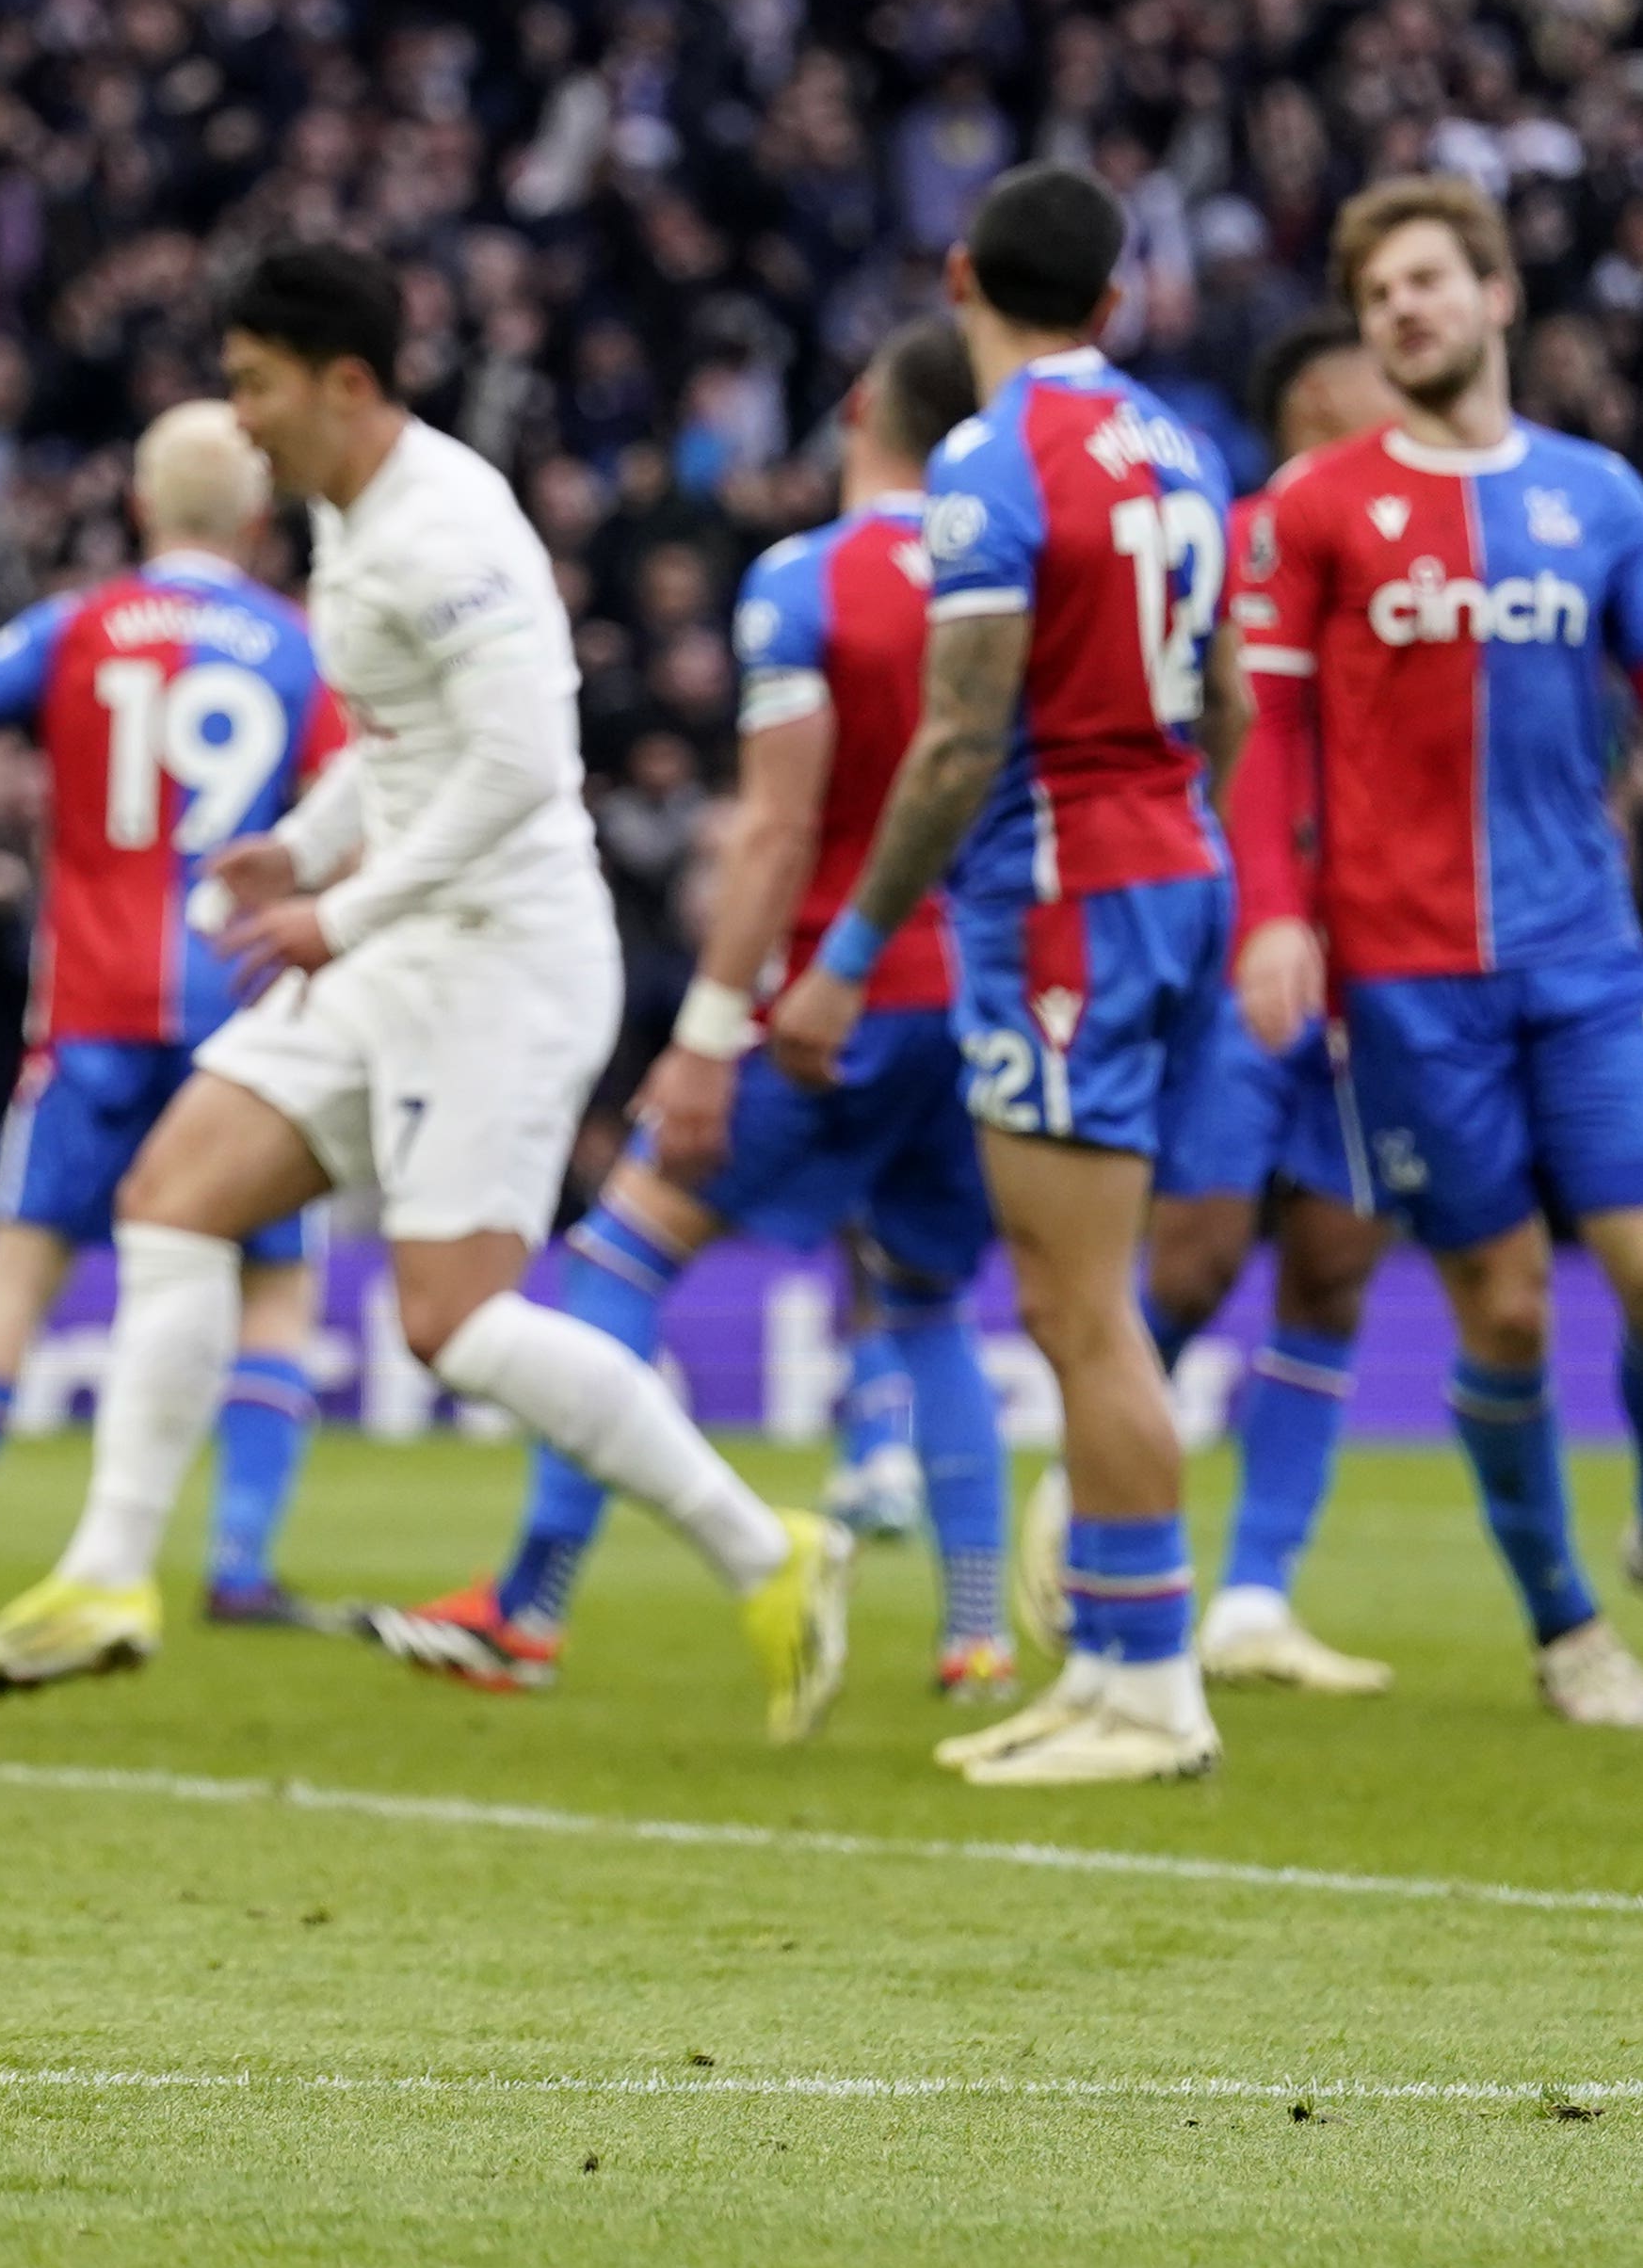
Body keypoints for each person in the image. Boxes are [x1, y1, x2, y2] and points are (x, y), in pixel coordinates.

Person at [58, 246, 854, 1741]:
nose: (234, 421)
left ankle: (771, 1548)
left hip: (500, 955)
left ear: (344, 384)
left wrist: (336, 905)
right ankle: (106, 1578)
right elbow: (408, 738)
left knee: (455, 1323)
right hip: (401, 938)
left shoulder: (443, 525)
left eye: (253, 385)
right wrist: (296, 845)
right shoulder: (348, 521)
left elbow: (519, 766)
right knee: (172, 1194)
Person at [363, 318, 1020, 1701]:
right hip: (970, 989)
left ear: (856, 411)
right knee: (926, 1296)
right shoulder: (993, 570)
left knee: (618, 1261)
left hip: (826, 998)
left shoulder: (807, 578)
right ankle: (976, 1634)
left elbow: (778, 832)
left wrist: (709, 1033)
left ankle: (529, 1603)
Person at [774, 163, 1246, 1787]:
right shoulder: (1183, 443)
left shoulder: (990, 462)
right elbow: (1231, 696)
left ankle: (1156, 1688)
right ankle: (1114, 1663)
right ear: (1114, 304)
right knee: (1073, 1301)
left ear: (961, 275)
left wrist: (841, 959)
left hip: (1063, 897)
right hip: (1174, 867)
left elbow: (964, 733)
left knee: (1078, 1305)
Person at [0, 402, 341, 1662]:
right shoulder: (294, 643)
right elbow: (356, 811)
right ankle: (243, 1564)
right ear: (257, 518)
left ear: (144, 509)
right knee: (273, 1284)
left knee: (16, 1281)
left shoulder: (82, 625)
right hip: (245, 1018)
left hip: (89, 1016)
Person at [1222, 174, 1643, 1728]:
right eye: (1380, 291)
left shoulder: (1600, 496)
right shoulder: (1319, 509)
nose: (1403, 308)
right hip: (1406, 975)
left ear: (1496, 297)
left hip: (1588, 955)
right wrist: (1275, 906)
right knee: (1511, 1309)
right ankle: (1569, 1636)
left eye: (1427, 282)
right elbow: (1266, 735)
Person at [1115, 314, 1408, 1695]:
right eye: (1373, 382)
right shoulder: (1231, 540)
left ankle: (1256, 1594)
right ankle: (1090, 1491)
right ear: (1312, 400)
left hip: (1383, 951)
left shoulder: (1421, 545)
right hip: (1238, 938)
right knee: (1196, 1254)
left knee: (1340, 1256)